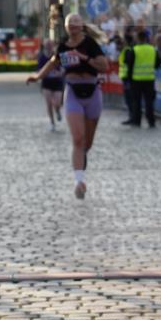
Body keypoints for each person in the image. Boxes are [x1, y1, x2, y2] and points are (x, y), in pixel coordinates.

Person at [28, 13, 108, 199]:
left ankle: (82, 156)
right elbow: (52, 62)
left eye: (76, 23)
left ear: (81, 25)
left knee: (87, 142)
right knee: (78, 139)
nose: (72, 26)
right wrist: (38, 77)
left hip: (93, 92)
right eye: (69, 23)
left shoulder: (90, 44)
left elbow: (103, 66)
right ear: (65, 27)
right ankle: (79, 181)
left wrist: (82, 57)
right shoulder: (63, 46)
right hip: (72, 92)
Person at [27, 39, 63, 130]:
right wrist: (39, 76)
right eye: (47, 44)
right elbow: (39, 70)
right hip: (46, 83)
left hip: (57, 82)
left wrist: (60, 73)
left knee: (57, 102)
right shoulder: (42, 57)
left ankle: (58, 110)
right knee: (49, 103)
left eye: (50, 44)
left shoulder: (58, 55)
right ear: (44, 45)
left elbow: (63, 67)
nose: (49, 46)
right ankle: (52, 123)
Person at [131, 29, 159, 128]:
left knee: (136, 102)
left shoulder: (134, 50)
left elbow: (130, 65)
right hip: (149, 79)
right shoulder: (152, 49)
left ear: (138, 39)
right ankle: (151, 121)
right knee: (149, 102)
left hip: (136, 80)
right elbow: (158, 63)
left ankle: (137, 121)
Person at [117, 32, 136, 125]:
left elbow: (129, 65)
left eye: (123, 40)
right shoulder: (126, 50)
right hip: (126, 78)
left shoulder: (128, 50)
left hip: (128, 78)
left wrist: (128, 78)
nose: (121, 42)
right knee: (129, 99)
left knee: (130, 99)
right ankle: (132, 117)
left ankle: (133, 117)